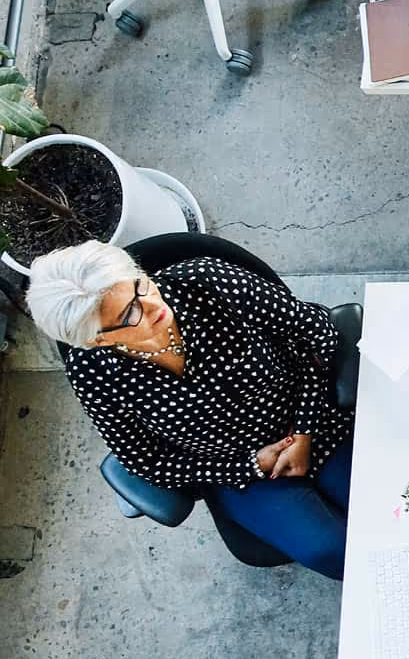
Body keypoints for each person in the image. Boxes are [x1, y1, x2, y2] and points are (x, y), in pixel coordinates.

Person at [27, 240, 354, 579]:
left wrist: (304, 429)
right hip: (236, 470)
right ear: (98, 339)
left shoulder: (207, 281)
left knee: (396, 506)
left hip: (311, 417)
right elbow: (143, 458)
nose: (153, 304)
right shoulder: (91, 371)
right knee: (332, 551)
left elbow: (316, 329)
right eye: (129, 314)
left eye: (140, 284)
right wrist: (249, 466)